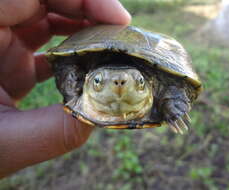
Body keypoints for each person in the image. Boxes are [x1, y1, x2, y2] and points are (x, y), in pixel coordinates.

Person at [0, 0, 131, 178]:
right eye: (100, 81)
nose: (117, 86)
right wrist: (74, 99)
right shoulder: (78, 68)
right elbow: (66, 67)